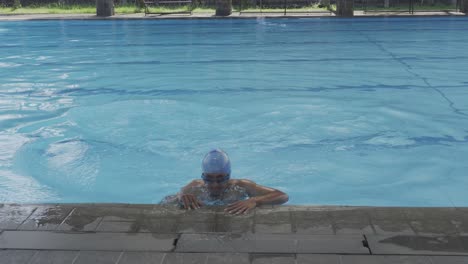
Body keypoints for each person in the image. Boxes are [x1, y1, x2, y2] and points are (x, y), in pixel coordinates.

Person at [176, 149, 288, 214]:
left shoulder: (242, 186)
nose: (215, 185)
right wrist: (180, 197)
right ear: (203, 176)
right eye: (209, 179)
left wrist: (254, 200)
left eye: (220, 179)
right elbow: (166, 202)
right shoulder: (195, 186)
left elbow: (282, 196)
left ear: (228, 176)